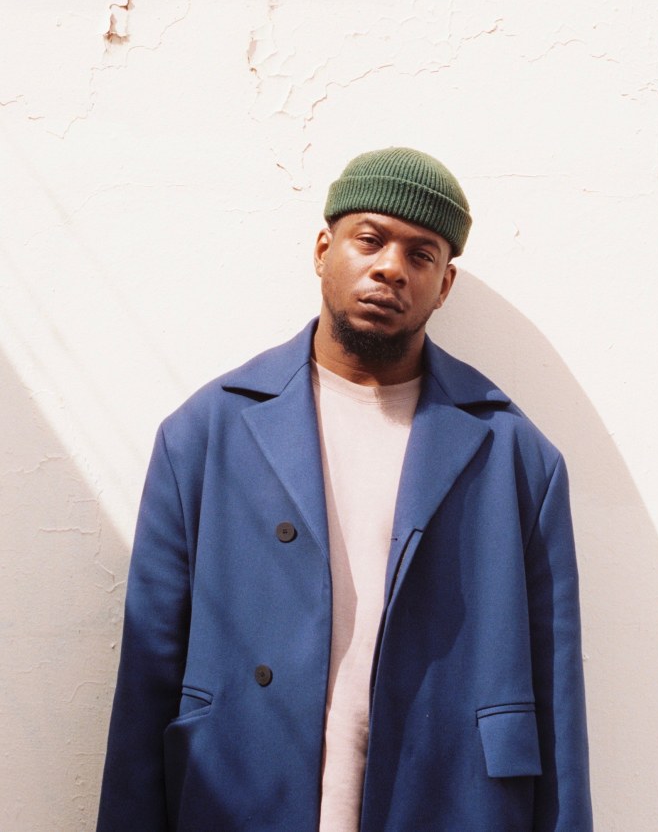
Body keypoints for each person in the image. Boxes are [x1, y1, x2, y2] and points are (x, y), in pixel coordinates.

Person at [96, 147, 593, 832]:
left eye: (421, 254)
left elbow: (558, 699)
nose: (391, 267)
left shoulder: (515, 457)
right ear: (323, 250)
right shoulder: (206, 435)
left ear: (444, 285)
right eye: (370, 239)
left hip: (450, 801)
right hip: (238, 795)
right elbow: (145, 682)